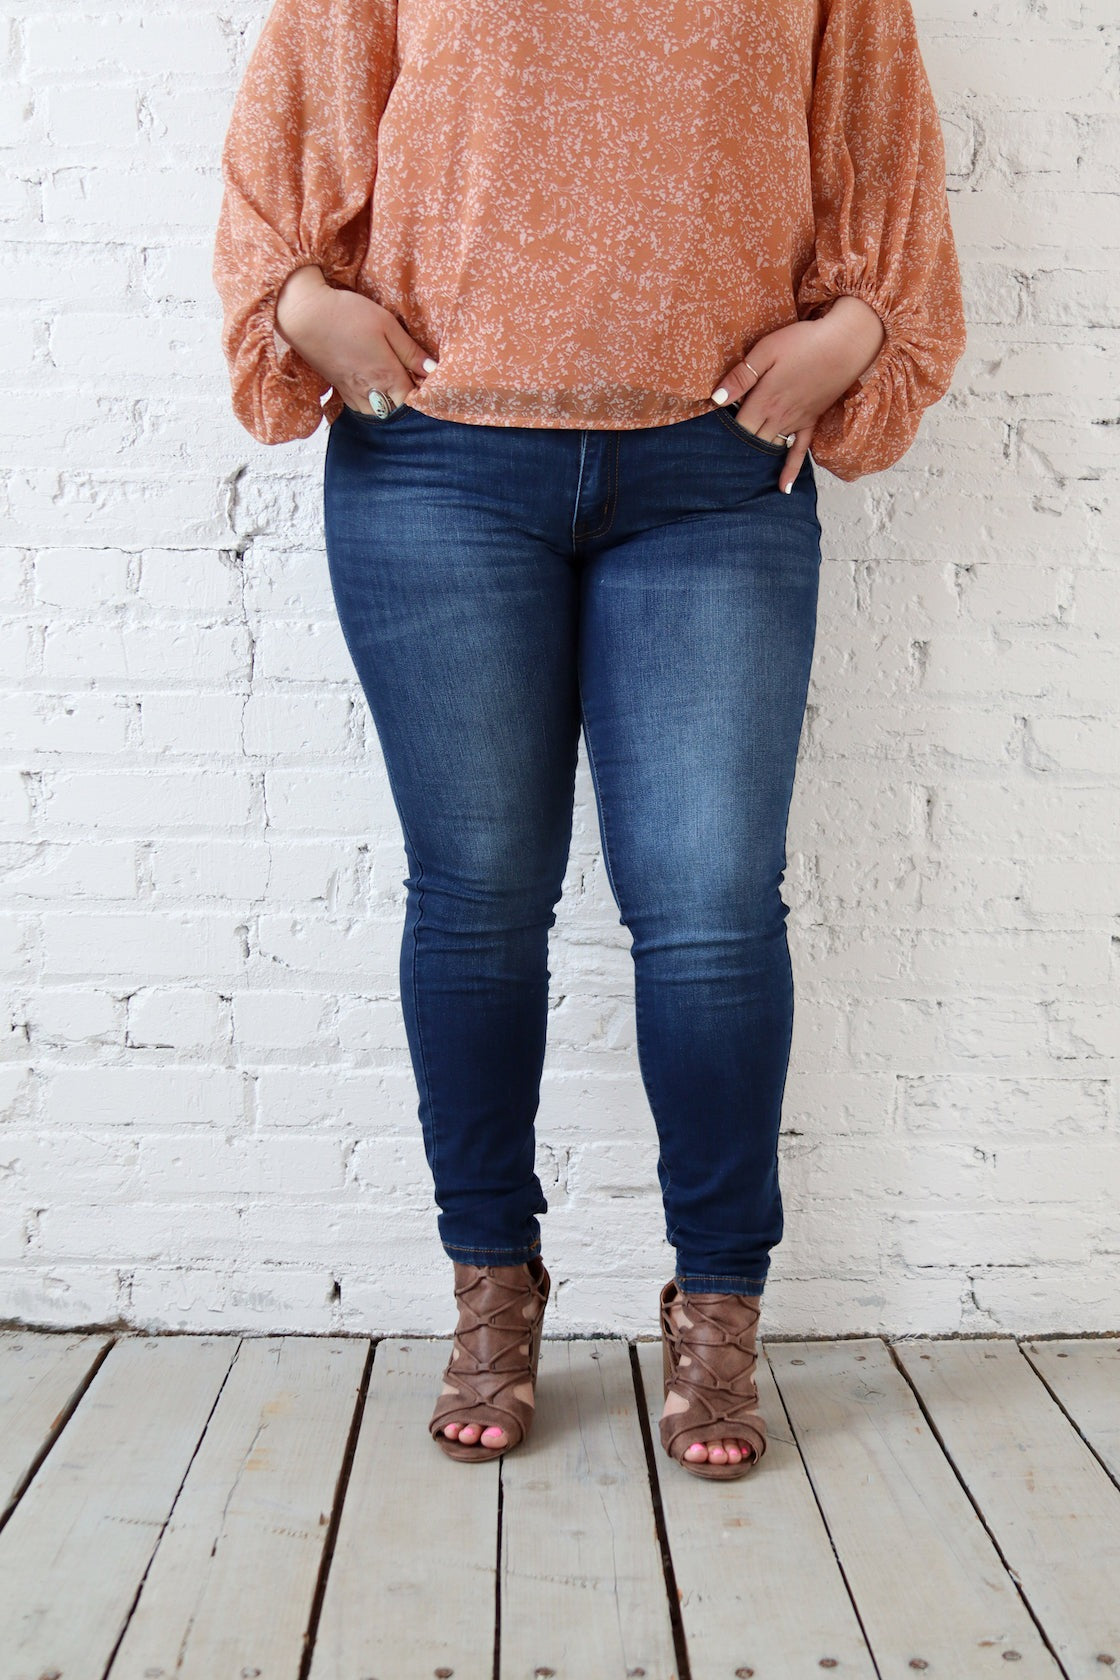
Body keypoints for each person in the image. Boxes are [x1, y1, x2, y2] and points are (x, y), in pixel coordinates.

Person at [213, 0, 966, 1481]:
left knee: (711, 908)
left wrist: (852, 337)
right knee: (479, 899)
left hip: (716, 468)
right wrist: (304, 307)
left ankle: (719, 1310)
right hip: (436, 463)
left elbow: (885, 153)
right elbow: (291, 122)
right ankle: (492, 1290)